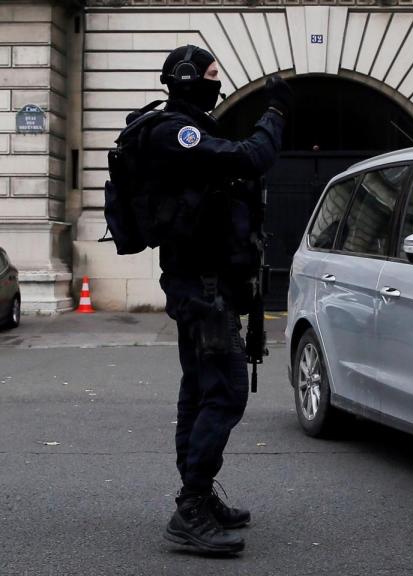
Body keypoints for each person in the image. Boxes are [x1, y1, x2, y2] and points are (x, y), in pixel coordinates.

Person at [141, 44, 292, 554]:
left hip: (207, 284)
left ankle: (197, 500)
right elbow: (253, 157)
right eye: (210, 74)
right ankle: (191, 507)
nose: (217, 83)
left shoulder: (191, 131)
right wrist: (275, 111)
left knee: (200, 391)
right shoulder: (174, 133)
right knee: (225, 390)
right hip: (200, 287)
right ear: (185, 79)